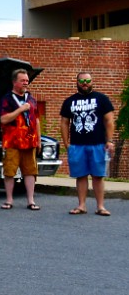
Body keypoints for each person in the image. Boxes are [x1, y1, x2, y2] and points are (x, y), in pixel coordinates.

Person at [60, 72, 116, 216]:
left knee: (98, 175)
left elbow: (109, 121)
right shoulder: (69, 101)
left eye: (87, 80)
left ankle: (100, 207)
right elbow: (65, 123)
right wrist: (67, 144)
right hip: (77, 145)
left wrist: (109, 140)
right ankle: (81, 206)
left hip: (98, 144)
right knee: (81, 175)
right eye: (82, 81)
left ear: (92, 81)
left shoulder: (101, 99)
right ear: (77, 82)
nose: (85, 83)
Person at [0, 68, 41, 210]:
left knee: (30, 171)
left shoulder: (32, 99)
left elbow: (37, 120)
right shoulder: (7, 99)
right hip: (12, 141)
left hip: (30, 141)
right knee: (10, 171)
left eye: (27, 80)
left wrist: (39, 140)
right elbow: (4, 119)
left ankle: (31, 200)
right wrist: (20, 110)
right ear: (14, 82)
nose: (25, 83)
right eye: (22, 80)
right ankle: (9, 200)